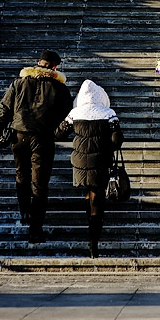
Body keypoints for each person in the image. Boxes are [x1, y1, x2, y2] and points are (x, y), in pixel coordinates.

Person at [0, 49, 72, 244]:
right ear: (55, 67)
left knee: (21, 175)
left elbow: (5, 107)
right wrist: (58, 134)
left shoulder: (19, 83)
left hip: (19, 136)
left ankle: (24, 211)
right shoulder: (60, 89)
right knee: (40, 185)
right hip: (42, 139)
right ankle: (36, 230)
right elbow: (68, 117)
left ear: (38, 63)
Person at [55, 80, 123, 258]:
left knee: (88, 192)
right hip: (100, 160)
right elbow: (117, 140)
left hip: (79, 161)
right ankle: (94, 240)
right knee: (97, 198)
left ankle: (90, 223)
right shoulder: (108, 113)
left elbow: (59, 133)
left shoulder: (75, 113)